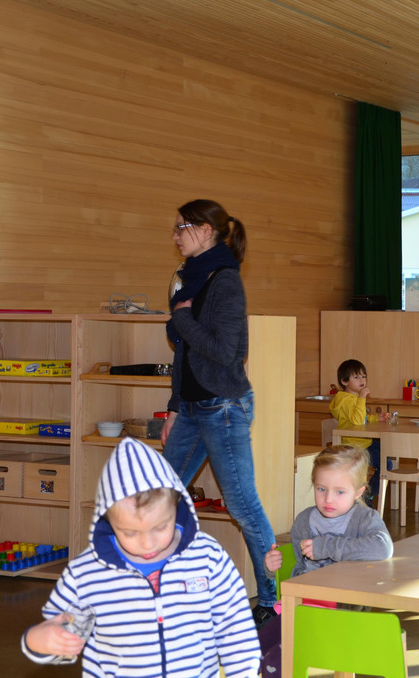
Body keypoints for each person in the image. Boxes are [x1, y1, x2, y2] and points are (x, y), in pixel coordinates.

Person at [21, 438, 260, 677]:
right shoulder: (86, 572)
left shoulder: (207, 557)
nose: (148, 544)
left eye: (160, 527)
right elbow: (61, 636)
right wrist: (37, 640)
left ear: (177, 507)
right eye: (130, 533)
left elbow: (236, 630)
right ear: (107, 520)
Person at [159, 198, 278, 626]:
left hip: (223, 406)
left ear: (205, 231)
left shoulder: (224, 281)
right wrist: (175, 407)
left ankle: (273, 598)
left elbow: (227, 352)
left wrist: (183, 320)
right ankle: (154, 588)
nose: (175, 235)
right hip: (194, 406)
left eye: (181, 227)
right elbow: (184, 355)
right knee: (160, 497)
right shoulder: (191, 278)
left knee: (242, 506)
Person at [265, 444, 393, 581]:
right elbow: (297, 565)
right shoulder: (304, 520)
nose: (328, 499)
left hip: (348, 593)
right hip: (309, 592)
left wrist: (326, 547)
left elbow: (383, 548)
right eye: (321, 489)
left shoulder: (365, 518)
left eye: (340, 492)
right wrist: (273, 567)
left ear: (358, 492)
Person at [329, 359, 388, 501]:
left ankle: (366, 494)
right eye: (356, 377)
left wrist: (376, 418)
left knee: (388, 452)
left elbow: (362, 418)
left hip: (363, 441)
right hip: (354, 445)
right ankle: (366, 495)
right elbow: (357, 421)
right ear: (344, 381)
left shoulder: (353, 397)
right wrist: (362, 398)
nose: (362, 380)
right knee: (387, 464)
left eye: (364, 376)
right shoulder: (345, 399)